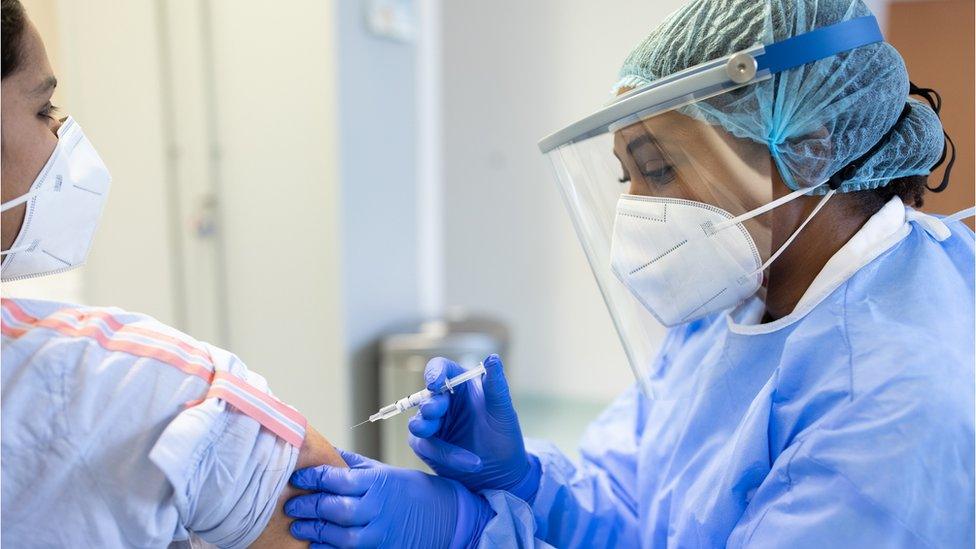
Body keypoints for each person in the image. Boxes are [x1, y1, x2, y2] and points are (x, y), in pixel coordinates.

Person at [285, 0, 975, 547]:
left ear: (808, 150)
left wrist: (473, 533)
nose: (636, 211)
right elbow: (640, 511)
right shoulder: (740, 301)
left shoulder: (892, 402)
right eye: (626, 175)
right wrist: (526, 480)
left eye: (659, 167)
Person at [0, 1, 494, 546]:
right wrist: (486, 519)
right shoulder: (141, 389)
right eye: (45, 109)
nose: (62, 137)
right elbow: (305, 507)